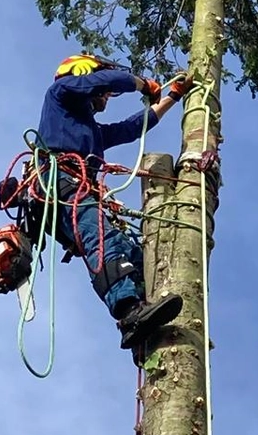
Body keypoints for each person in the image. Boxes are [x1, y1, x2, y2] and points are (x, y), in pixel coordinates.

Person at [31, 53, 190, 352]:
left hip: (74, 193)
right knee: (103, 241)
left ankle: (144, 322)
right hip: (61, 187)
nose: (107, 96)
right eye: (105, 92)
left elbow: (131, 128)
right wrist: (143, 84)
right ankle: (129, 314)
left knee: (134, 253)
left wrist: (172, 97)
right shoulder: (60, 94)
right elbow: (106, 80)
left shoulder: (90, 130)